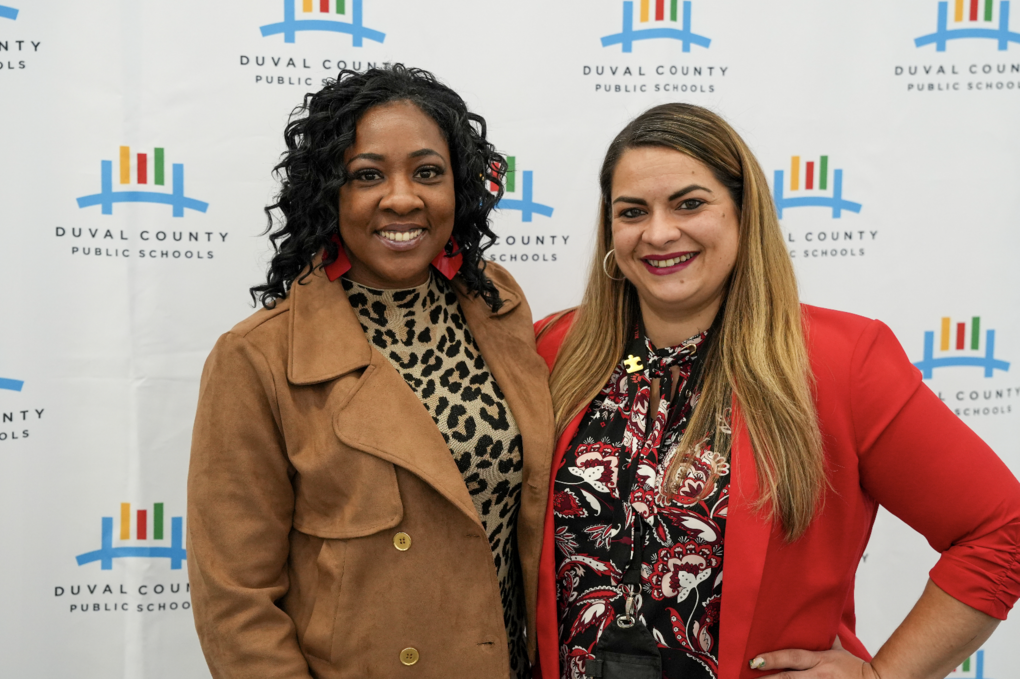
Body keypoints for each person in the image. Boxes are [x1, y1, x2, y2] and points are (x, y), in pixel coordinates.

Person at [532, 103, 1020, 679]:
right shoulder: (556, 349)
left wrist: (882, 676)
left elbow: (1000, 527)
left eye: (690, 203)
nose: (659, 232)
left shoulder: (841, 360)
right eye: (632, 211)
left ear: (744, 213)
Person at [187, 65, 553, 679]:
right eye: (367, 176)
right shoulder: (258, 358)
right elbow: (235, 602)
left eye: (428, 172)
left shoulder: (497, 304)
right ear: (328, 193)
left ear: (458, 188)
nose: (403, 198)